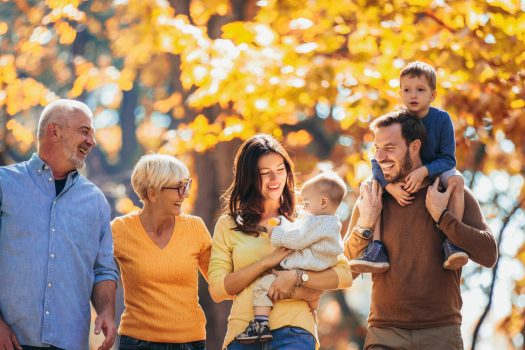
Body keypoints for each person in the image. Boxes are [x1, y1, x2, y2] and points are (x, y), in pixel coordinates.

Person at [345, 109, 498, 349]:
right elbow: (345, 268)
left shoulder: (449, 192)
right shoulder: (373, 197)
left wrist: (443, 217)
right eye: (376, 148)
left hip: (441, 334)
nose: (380, 157)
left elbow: (489, 254)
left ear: (414, 147)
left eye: (390, 148)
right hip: (384, 334)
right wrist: (365, 224)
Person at [208, 134, 353, 350]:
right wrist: (266, 263)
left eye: (280, 170)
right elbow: (218, 290)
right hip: (243, 334)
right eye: (265, 173)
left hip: (294, 330)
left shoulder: (308, 217)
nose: (275, 179)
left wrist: (297, 277)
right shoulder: (228, 225)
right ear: (248, 178)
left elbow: (343, 275)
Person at [0, 99, 119, 350]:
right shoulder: (4, 185)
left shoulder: (95, 201)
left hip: (70, 343)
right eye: (84, 131)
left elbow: (103, 270)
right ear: (54, 131)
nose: (92, 141)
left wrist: (107, 311)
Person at [349, 61, 468, 273]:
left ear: (432, 95)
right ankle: (375, 248)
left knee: (457, 181)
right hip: (398, 174)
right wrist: (387, 185)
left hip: (436, 170)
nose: (413, 95)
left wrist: (424, 171)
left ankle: (453, 241)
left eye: (420, 90)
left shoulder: (441, 119)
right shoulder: (399, 120)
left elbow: (449, 159)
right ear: (400, 93)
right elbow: (378, 158)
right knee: (371, 186)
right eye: (407, 90)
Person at [111, 154, 212, 350]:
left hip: (189, 343)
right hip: (137, 343)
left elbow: (221, 283)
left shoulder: (195, 228)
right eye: (177, 188)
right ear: (152, 194)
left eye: (186, 185)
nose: (185, 194)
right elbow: (91, 268)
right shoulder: (120, 229)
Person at [236, 172, 347, 343]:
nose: (303, 206)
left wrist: (275, 233)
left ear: (323, 202)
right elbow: (299, 229)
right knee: (307, 293)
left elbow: (297, 239)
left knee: (262, 286)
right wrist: (284, 223)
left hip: (306, 265)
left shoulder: (315, 222)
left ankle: (260, 325)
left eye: (307, 202)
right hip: (317, 269)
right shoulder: (331, 223)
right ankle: (310, 302)